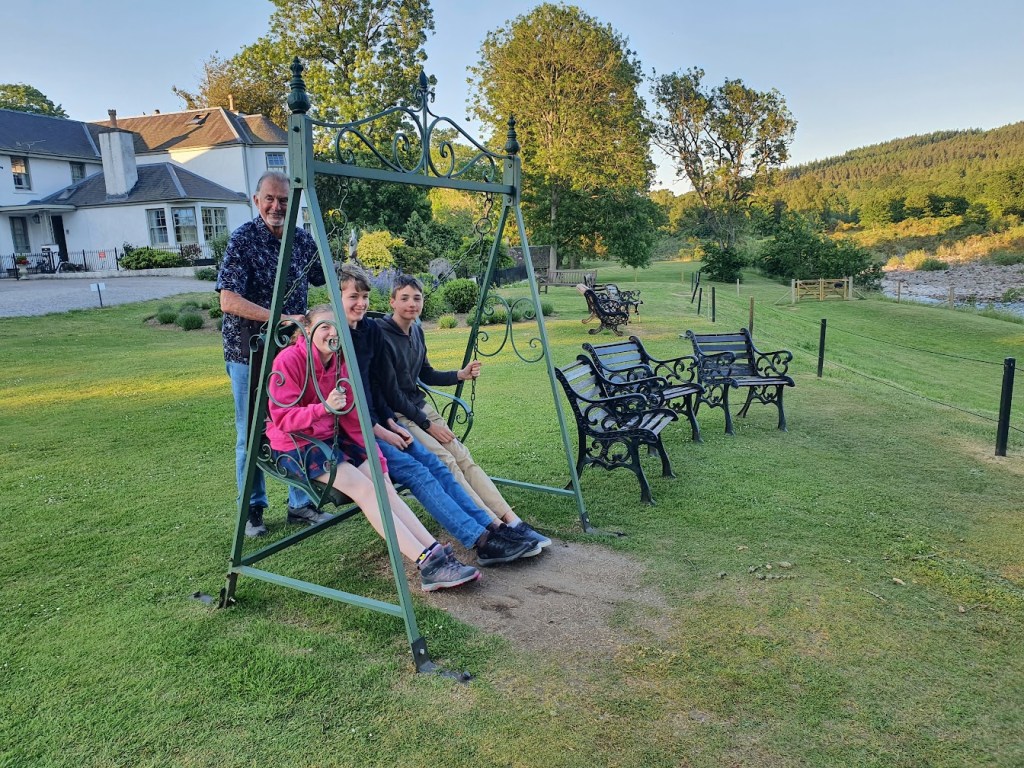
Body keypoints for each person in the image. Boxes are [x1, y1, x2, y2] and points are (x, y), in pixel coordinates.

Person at [337, 263, 544, 565]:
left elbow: (382, 386)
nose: (411, 304)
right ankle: (484, 533)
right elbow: (375, 393)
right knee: (438, 465)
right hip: (379, 423)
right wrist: (389, 425)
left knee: (457, 457)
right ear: (392, 301)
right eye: (404, 298)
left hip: (395, 415)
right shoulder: (355, 336)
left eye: (417, 298)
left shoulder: (379, 332)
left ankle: (504, 523)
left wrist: (458, 376)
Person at [266, 305, 480, 592]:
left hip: (331, 438)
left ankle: (433, 551)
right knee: (366, 490)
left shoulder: (340, 362)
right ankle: (426, 563)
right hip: (296, 445)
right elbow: (282, 418)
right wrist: (323, 408)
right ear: (306, 328)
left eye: (336, 327)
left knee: (384, 486)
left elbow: (354, 419)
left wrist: (376, 457)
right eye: (324, 326)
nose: (331, 333)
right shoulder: (289, 360)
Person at [216, 171, 327, 538]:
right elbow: (228, 299)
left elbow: (324, 277)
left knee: (297, 422)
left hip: (293, 353)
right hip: (249, 351)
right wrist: (281, 318)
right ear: (256, 200)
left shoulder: (300, 239)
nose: (277, 206)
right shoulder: (243, 239)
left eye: (284, 201)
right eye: (271, 199)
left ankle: (301, 503)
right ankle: (252, 510)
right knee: (251, 433)